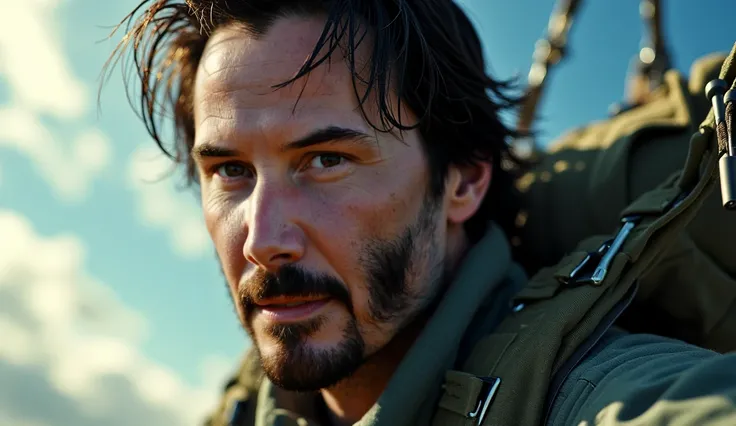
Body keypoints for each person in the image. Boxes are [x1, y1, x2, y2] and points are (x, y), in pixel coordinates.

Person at [103, 1, 736, 425]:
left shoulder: (595, 394)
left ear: (463, 180)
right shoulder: (251, 405)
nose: (263, 241)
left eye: (325, 160)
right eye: (231, 172)